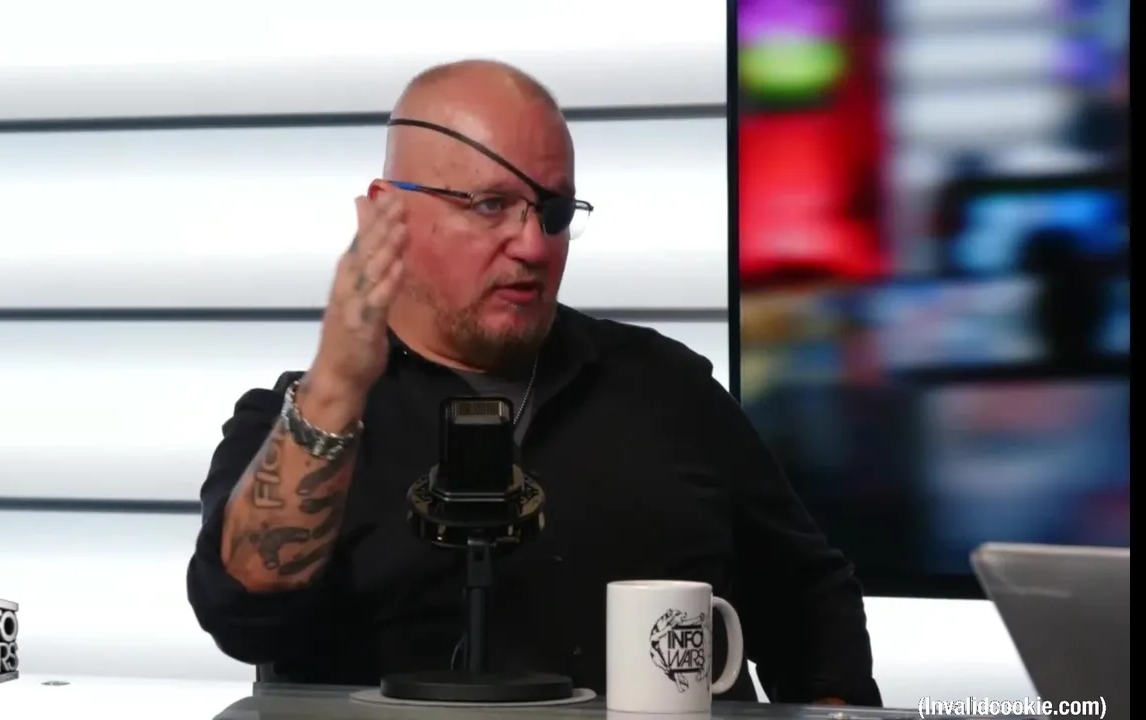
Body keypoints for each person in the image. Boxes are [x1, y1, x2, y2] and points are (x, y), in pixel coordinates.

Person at [186, 59, 882, 706]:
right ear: (387, 212)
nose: (532, 245)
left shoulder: (666, 389)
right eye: (490, 204)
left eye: (553, 211)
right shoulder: (303, 420)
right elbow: (242, 613)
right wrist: (338, 385)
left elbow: (808, 603)